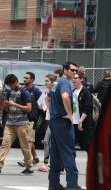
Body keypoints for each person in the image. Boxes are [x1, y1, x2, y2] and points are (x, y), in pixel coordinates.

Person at [47, 62, 84, 190]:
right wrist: (69, 114)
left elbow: (48, 98)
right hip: (62, 122)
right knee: (69, 152)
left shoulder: (56, 82)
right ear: (65, 70)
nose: (75, 73)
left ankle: (54, 183)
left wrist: (52, 111)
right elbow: (65, 97)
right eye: (73, 70)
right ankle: (72, 184)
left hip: (54, 121)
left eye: (76, 71)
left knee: (56, 152)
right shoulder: (64, 83)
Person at [0, 74, 33, 175]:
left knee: (24, 146)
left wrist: (14, 104)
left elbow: (29, 108)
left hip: (22, 123)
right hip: (10, 123)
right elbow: (5, 107)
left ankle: (29, 167)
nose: (10, 87)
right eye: (8, 85)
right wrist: (4, 105)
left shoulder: (24, 92)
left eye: (11, 85)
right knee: (5, 144)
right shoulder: (8, 91)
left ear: (16, 82)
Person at [38, 74, 56, 172]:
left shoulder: (55, 91)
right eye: (45, 81)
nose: (45, 83)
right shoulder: (46, 91)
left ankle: (49, 164)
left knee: (47, 141)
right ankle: (47, 163)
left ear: (52, 82)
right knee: (47, 142)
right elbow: (40, 104)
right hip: (47, 119)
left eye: (47, 81)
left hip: (54, 119)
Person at [23, 71, 42, 165]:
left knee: (29, 139)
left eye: (26, 78)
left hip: (32, 119)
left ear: (32, 80)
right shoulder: (22, 89)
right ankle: (35, 158)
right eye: (24, 78)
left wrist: (36, 107)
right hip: (23, 118)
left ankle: (26, 160)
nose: (24, 79)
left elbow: (42, 104)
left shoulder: (36, 91)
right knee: (28, 139)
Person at [72, 73, 93, 152]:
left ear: (81, 79)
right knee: (71, 144)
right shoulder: (73, 91)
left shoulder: (85, 92)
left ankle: (93, 162)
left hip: (82, 122)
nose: (73, 80)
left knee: (86, 144)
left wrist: (80, 121)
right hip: (73, 122)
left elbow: (87, 108)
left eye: (76, 78)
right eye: (73, 78)